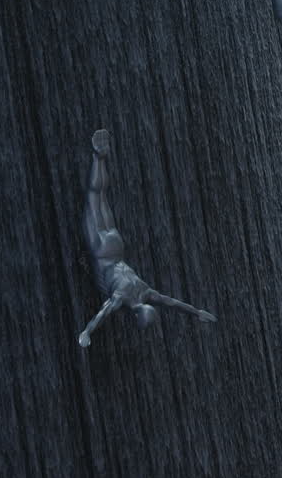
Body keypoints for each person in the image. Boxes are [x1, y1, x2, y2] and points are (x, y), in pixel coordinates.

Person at [78, 130, 217, 348]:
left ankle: (101, 157)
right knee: (94, 197)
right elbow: (103, 312)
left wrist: (196, 311)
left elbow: (171, 302)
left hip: (116, 246)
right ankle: (97, 156)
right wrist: (87, 332)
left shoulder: (146, 291)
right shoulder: (123, 296)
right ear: (135, 316)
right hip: (102, 251)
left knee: (101, 197)